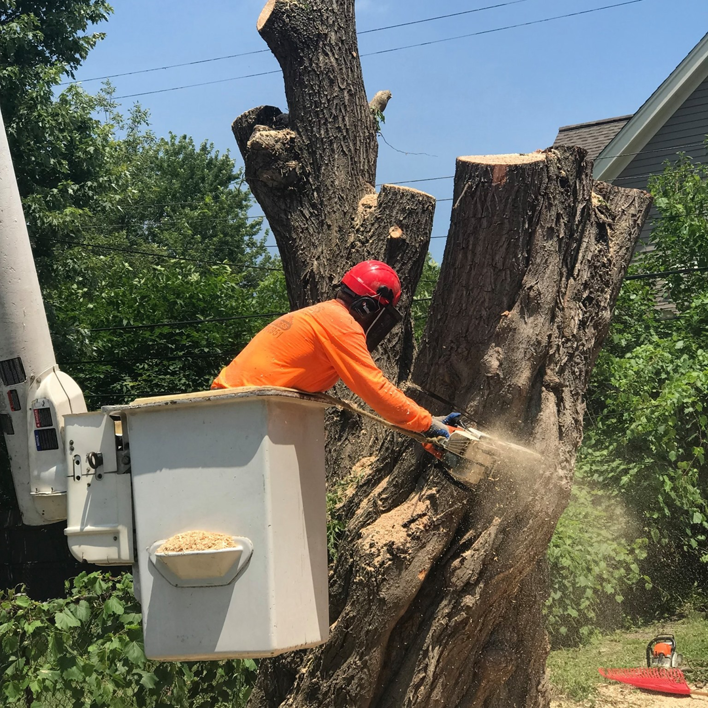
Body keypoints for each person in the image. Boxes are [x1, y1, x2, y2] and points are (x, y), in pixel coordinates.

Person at [212, 260, 457, 440]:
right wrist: (427, 424)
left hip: (233, 406)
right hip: (244, 411)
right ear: (367, 306)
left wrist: (428, 422)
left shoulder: (322, 313)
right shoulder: (342, 324)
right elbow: (375, 388)